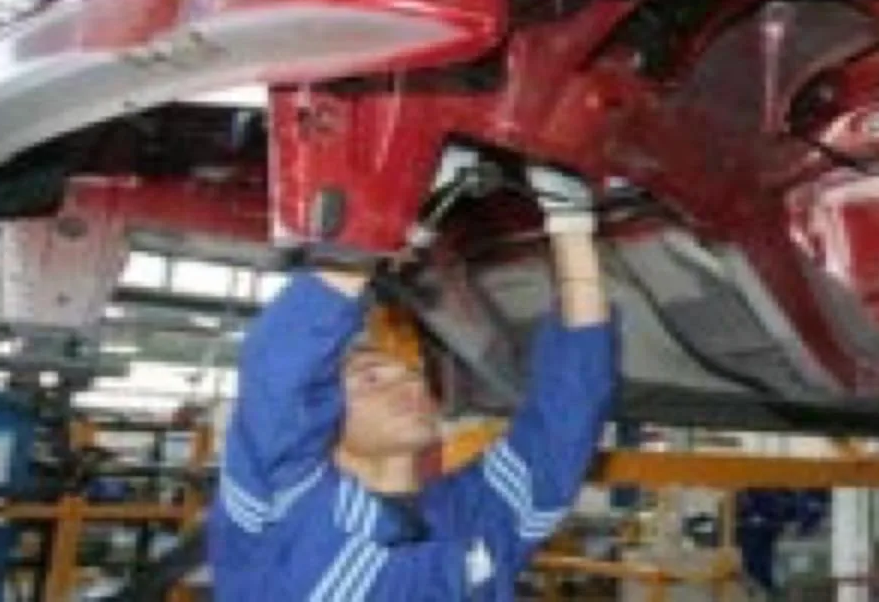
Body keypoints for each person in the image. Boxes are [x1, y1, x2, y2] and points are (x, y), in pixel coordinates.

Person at [209, 168, 617, 600]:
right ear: (322, 411)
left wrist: (571, 223)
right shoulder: (279, 506)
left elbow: (570, 412)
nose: (411, 389)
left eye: (415, 376)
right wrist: (388, 203)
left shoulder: (472, 511)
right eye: (371, 378)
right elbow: (281, 369)